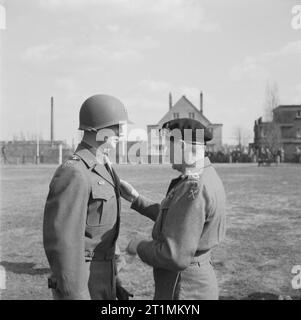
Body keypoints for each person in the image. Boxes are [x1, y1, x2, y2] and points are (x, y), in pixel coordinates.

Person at [119, 118, 227, 300]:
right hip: (193, 284)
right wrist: (136, 199)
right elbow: (178, 220)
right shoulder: (204, 175)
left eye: (168, 146)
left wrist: (138, 245)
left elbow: (173, 255)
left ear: (181, 145)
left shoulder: (193, 187)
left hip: (185, 289)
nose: (166, 151)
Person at [43, 94, 132, 300]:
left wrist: (113, 282)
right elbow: (63, 245)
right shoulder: (74, 172)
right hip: (83, 284)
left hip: (102, 279)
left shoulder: (102, 166)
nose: (122, 134)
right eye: (117, 128)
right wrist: (76, 295)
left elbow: (100, 236)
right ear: (98, 128)